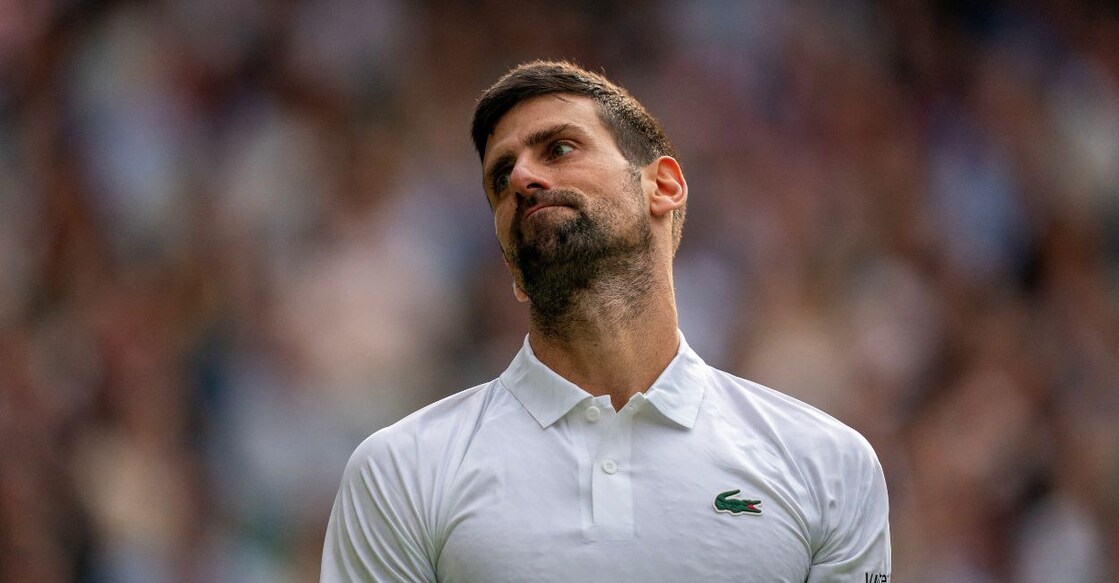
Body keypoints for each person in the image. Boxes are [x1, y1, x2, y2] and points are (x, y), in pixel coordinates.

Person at [320, 60, 891, 582]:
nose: (521, 178)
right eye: (501, 177)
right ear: (512, 267)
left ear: (663, 186)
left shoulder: (829, 465)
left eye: (559, 148)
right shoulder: (400, 472)